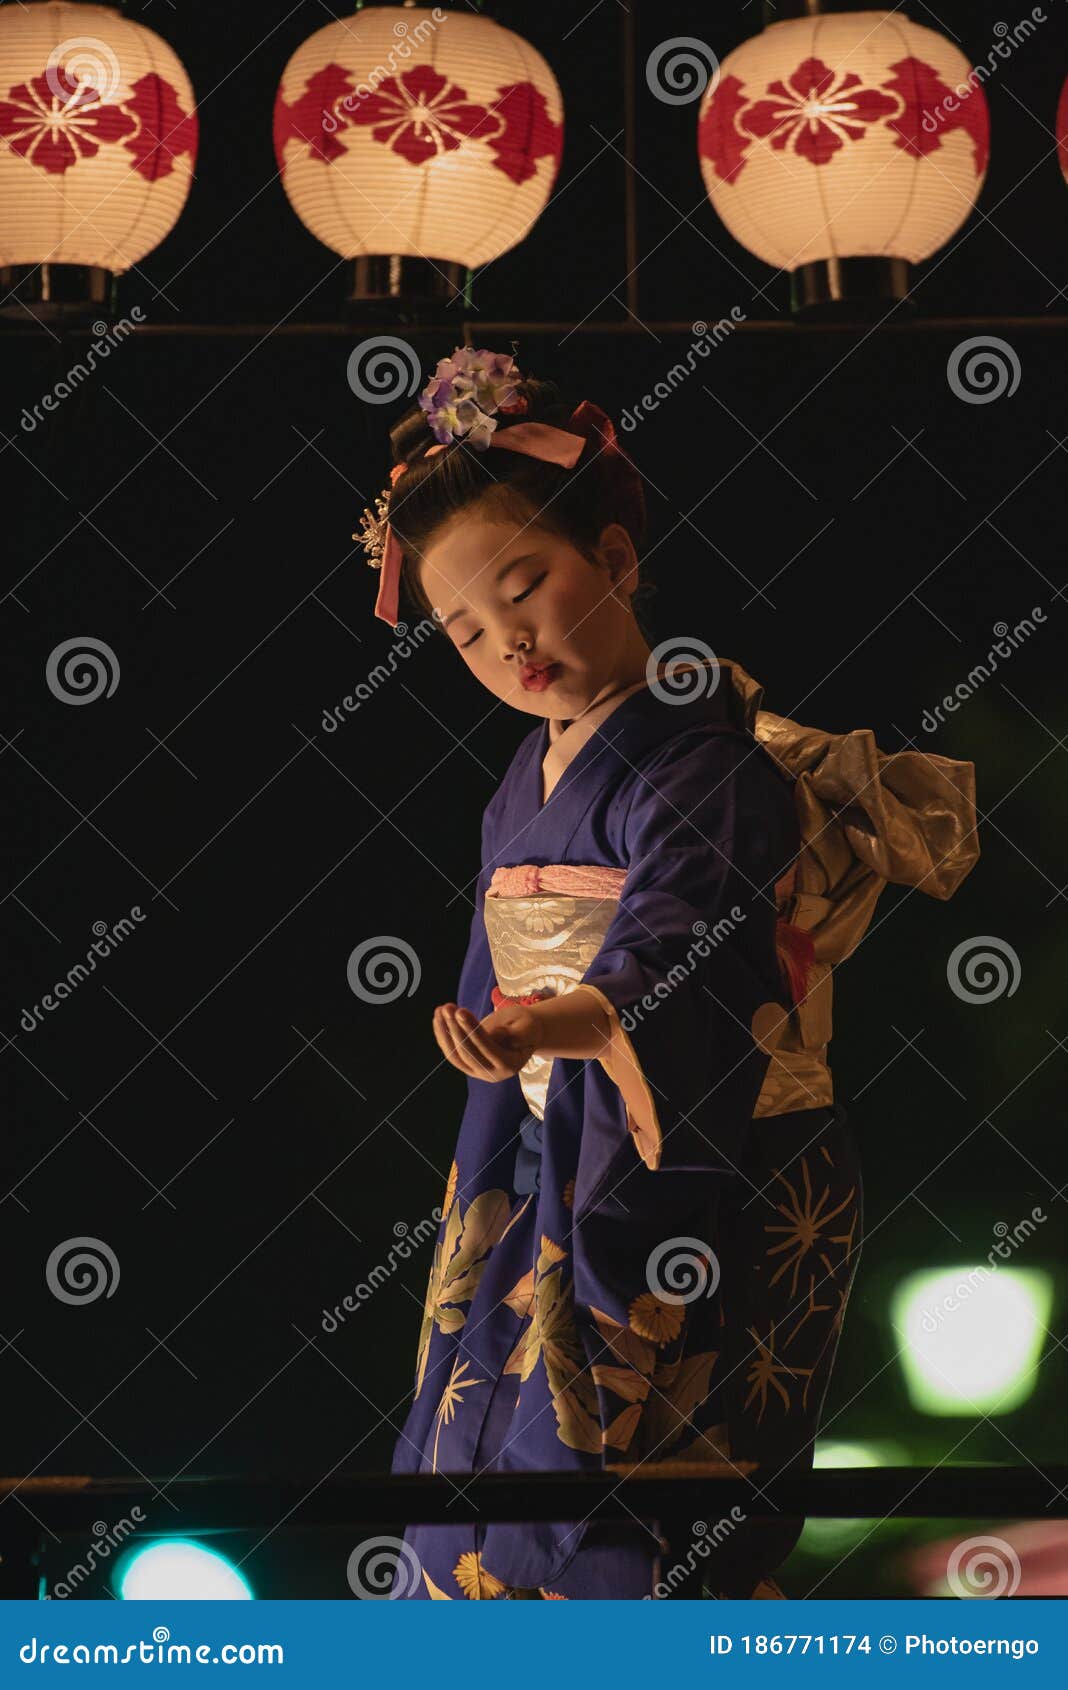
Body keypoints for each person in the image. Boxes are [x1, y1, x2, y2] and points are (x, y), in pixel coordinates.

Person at [356, 346, 979, 1600]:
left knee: (648, 1511)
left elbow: (684, 954)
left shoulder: (709, 762)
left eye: (525, 588)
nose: (506, 643)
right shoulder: (510, 797)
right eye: (467, 631)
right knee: (467, 1464)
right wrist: (499, 1045)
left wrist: (555, 1024)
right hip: (555, 1153)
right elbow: (502, 977)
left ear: (618, 561)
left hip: (712, 1152)